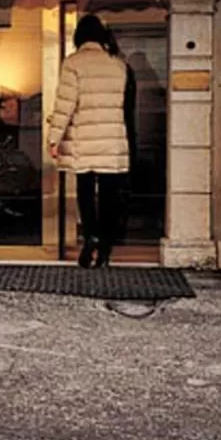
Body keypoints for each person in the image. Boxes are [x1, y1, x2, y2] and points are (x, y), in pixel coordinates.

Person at [47, 14, 134, 269]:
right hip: (112, 140)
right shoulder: (118, 65)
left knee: (85, 192)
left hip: (83, 141)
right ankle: (105, 249)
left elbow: (65, 105)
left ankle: (90, 237)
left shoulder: (73, 63)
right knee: (109, 196)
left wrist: (53, 138)